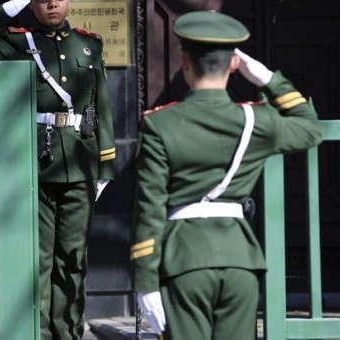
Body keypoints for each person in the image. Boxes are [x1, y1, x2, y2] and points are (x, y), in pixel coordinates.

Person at [131, 11, 323, 340]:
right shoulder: (257, 121)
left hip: (185, 260)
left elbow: (150, 208)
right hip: (240, 259)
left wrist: (145, 280)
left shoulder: (160, 124)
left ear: (184, 61)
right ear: (234, 64)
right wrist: (266, 78)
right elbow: (310, 129)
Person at [0, 1, 116, 339]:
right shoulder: (16, 42)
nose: (52, 4)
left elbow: (101, 103)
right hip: (37, 162)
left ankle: (69, 332)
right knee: (40, 260)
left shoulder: (89, 43)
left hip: (80, 162)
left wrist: (105, 164)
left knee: (73, 259)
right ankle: (39, 334)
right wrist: (8, 8)